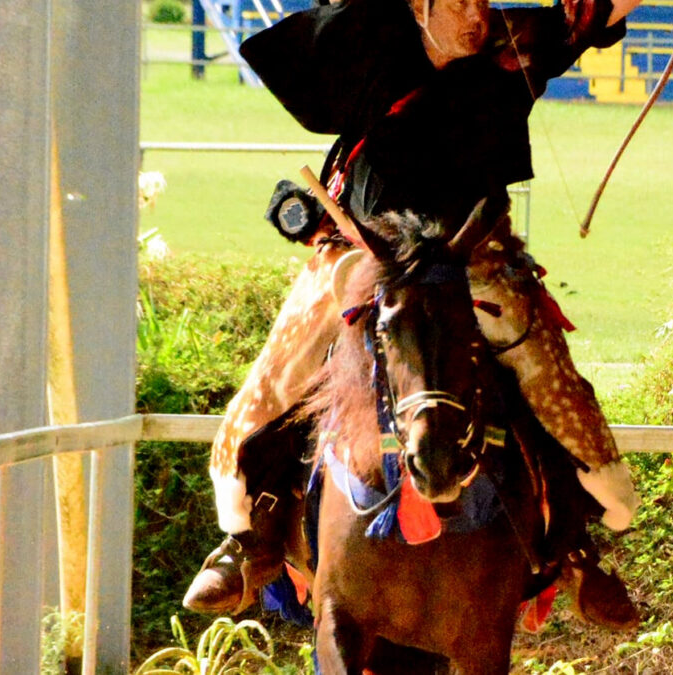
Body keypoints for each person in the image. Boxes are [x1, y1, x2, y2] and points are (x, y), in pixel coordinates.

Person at [183, 0, 644, 627]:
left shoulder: (513, 46)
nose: (475, 15)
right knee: (281, 372)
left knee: (543, 366)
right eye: (456, 3)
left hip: (474, 259)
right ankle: (249, 536)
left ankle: (576, 542)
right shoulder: (363, 47)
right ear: (420, 9)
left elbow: (596, 8)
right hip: (361, 258)